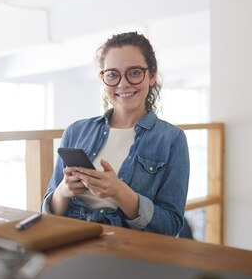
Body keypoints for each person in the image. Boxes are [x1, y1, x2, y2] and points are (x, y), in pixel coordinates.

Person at [41, 31, 190, 236]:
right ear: (103, 79)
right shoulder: (76, 131)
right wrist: (63, 191)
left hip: (127, 247)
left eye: (135, 72)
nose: (122, 83)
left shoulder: (171, 139)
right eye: (112, 74)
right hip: (70, 238)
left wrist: (119, 191)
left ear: (152, 75)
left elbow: (170, 226)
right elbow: (48, 213)